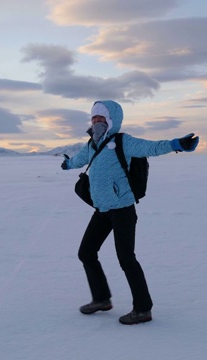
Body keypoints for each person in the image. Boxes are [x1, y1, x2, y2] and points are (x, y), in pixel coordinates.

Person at [60, 100, 199, 325]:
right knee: (86, 253)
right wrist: (68, 164)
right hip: (102, 210)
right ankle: (101, 299)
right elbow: (80, 159)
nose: (96, 121)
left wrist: (177, 144)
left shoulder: (123, 141)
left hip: (122, 210)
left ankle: (143, 309)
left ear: (112, 120)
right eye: (94, 118)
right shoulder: (92, 144)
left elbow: (151, 147)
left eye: (101, 118)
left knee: (126, 258)